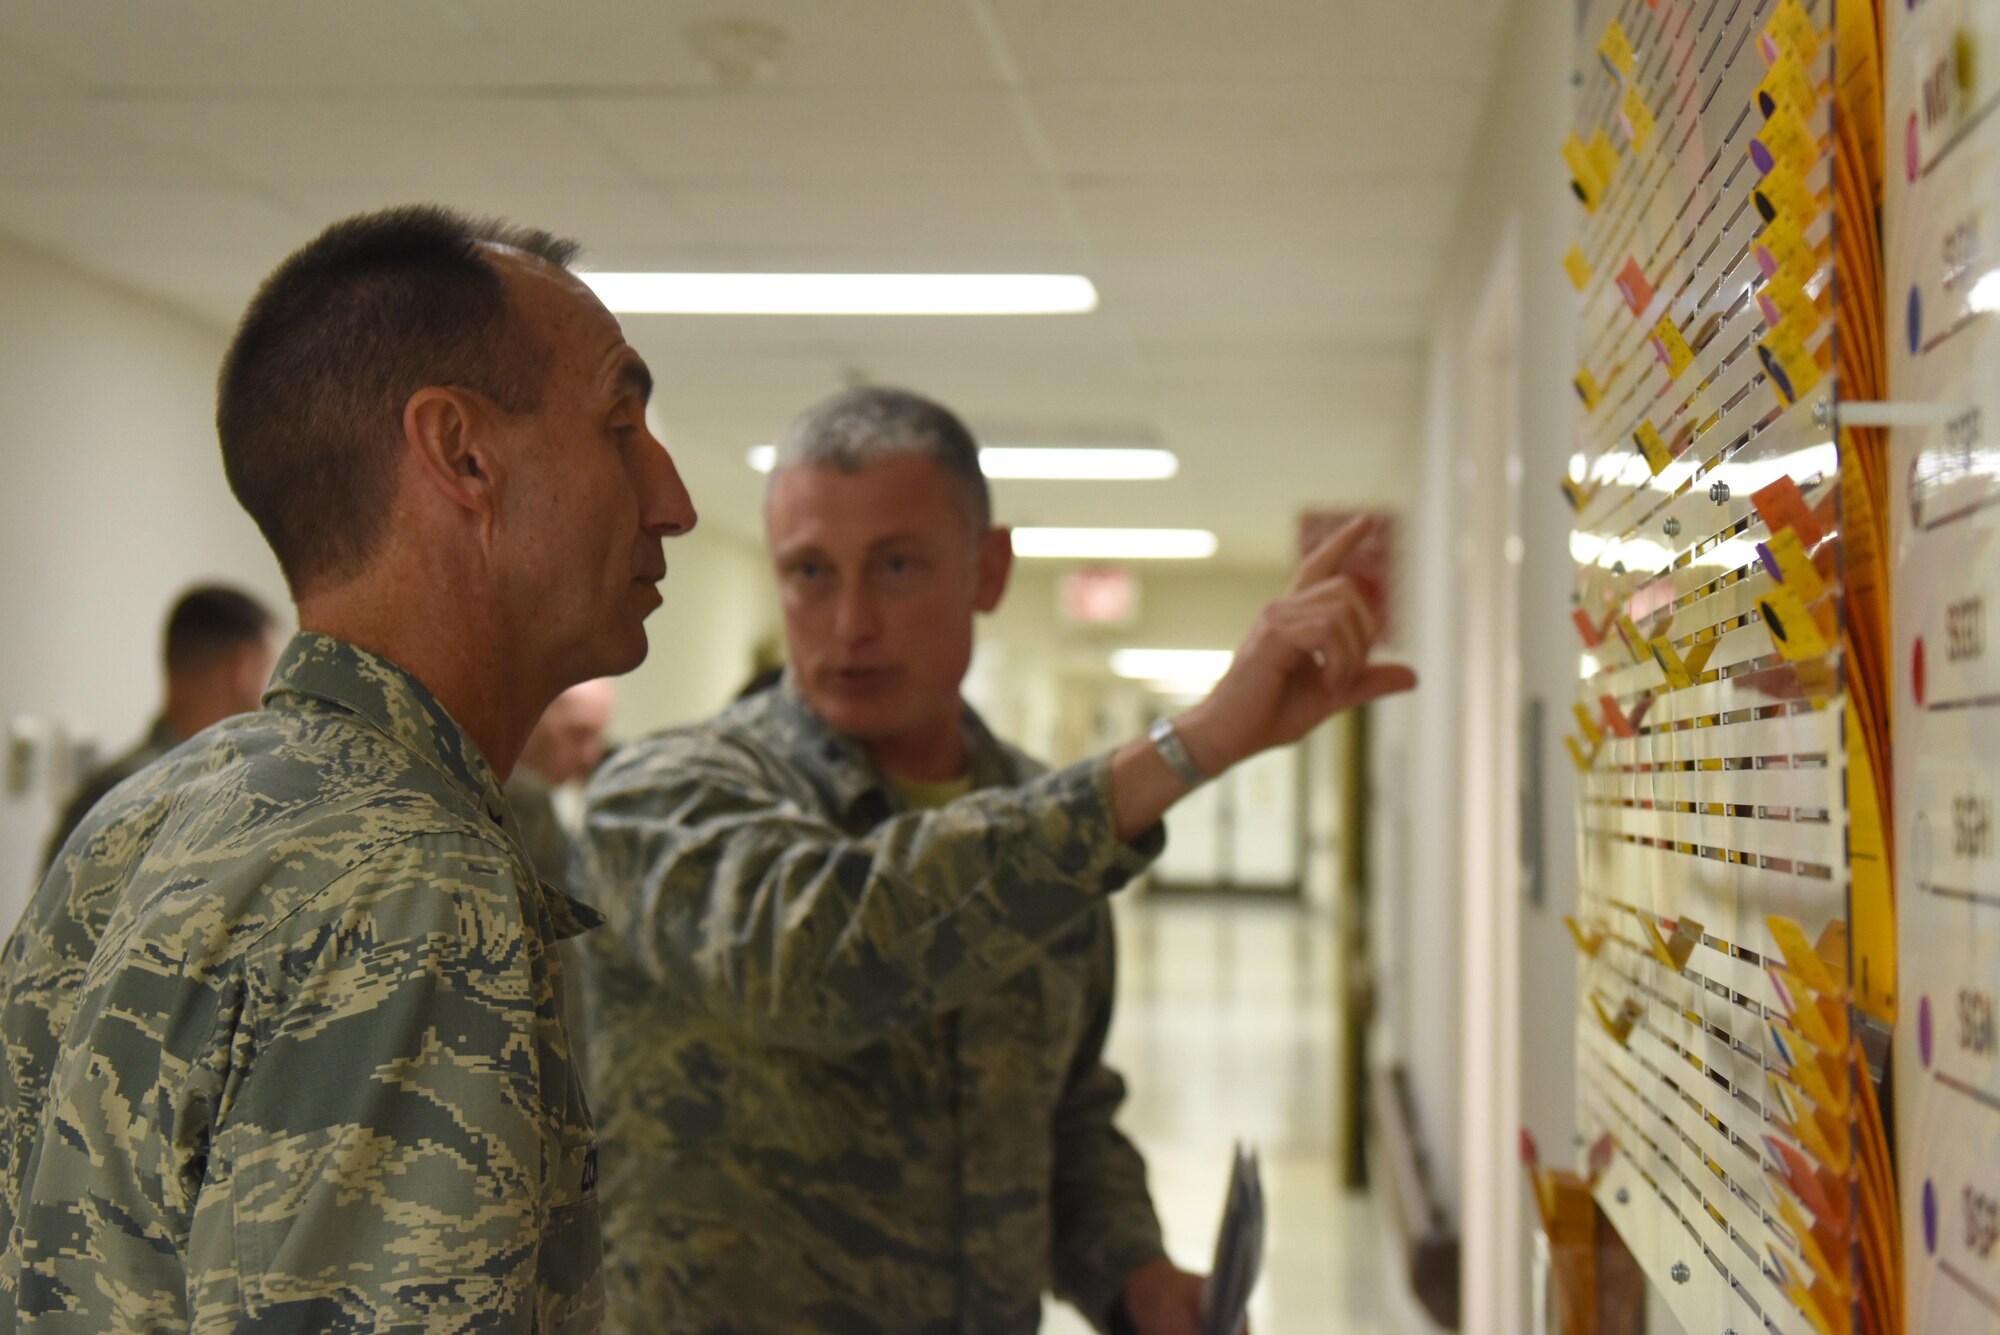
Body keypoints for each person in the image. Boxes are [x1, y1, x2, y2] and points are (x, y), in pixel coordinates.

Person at [575, 386, 1414, 1334]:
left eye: (895, 565)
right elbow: (825, 953)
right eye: (810, 571)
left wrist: (1132, 1270)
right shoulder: (659, 799)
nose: (849, 620)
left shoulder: (1042, 824)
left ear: (989, 568)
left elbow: (1061, 1114)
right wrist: (1185, 748)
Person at [0, 204, 696, 1331]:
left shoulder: (150, 812)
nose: (672, 499)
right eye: (620, 427)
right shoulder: (414, 881)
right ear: (462, 453)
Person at [40, 583, 279, 871]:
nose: (275, 693)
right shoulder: (181, 798)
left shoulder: (113, 793)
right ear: (241, 666)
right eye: (271, 670)